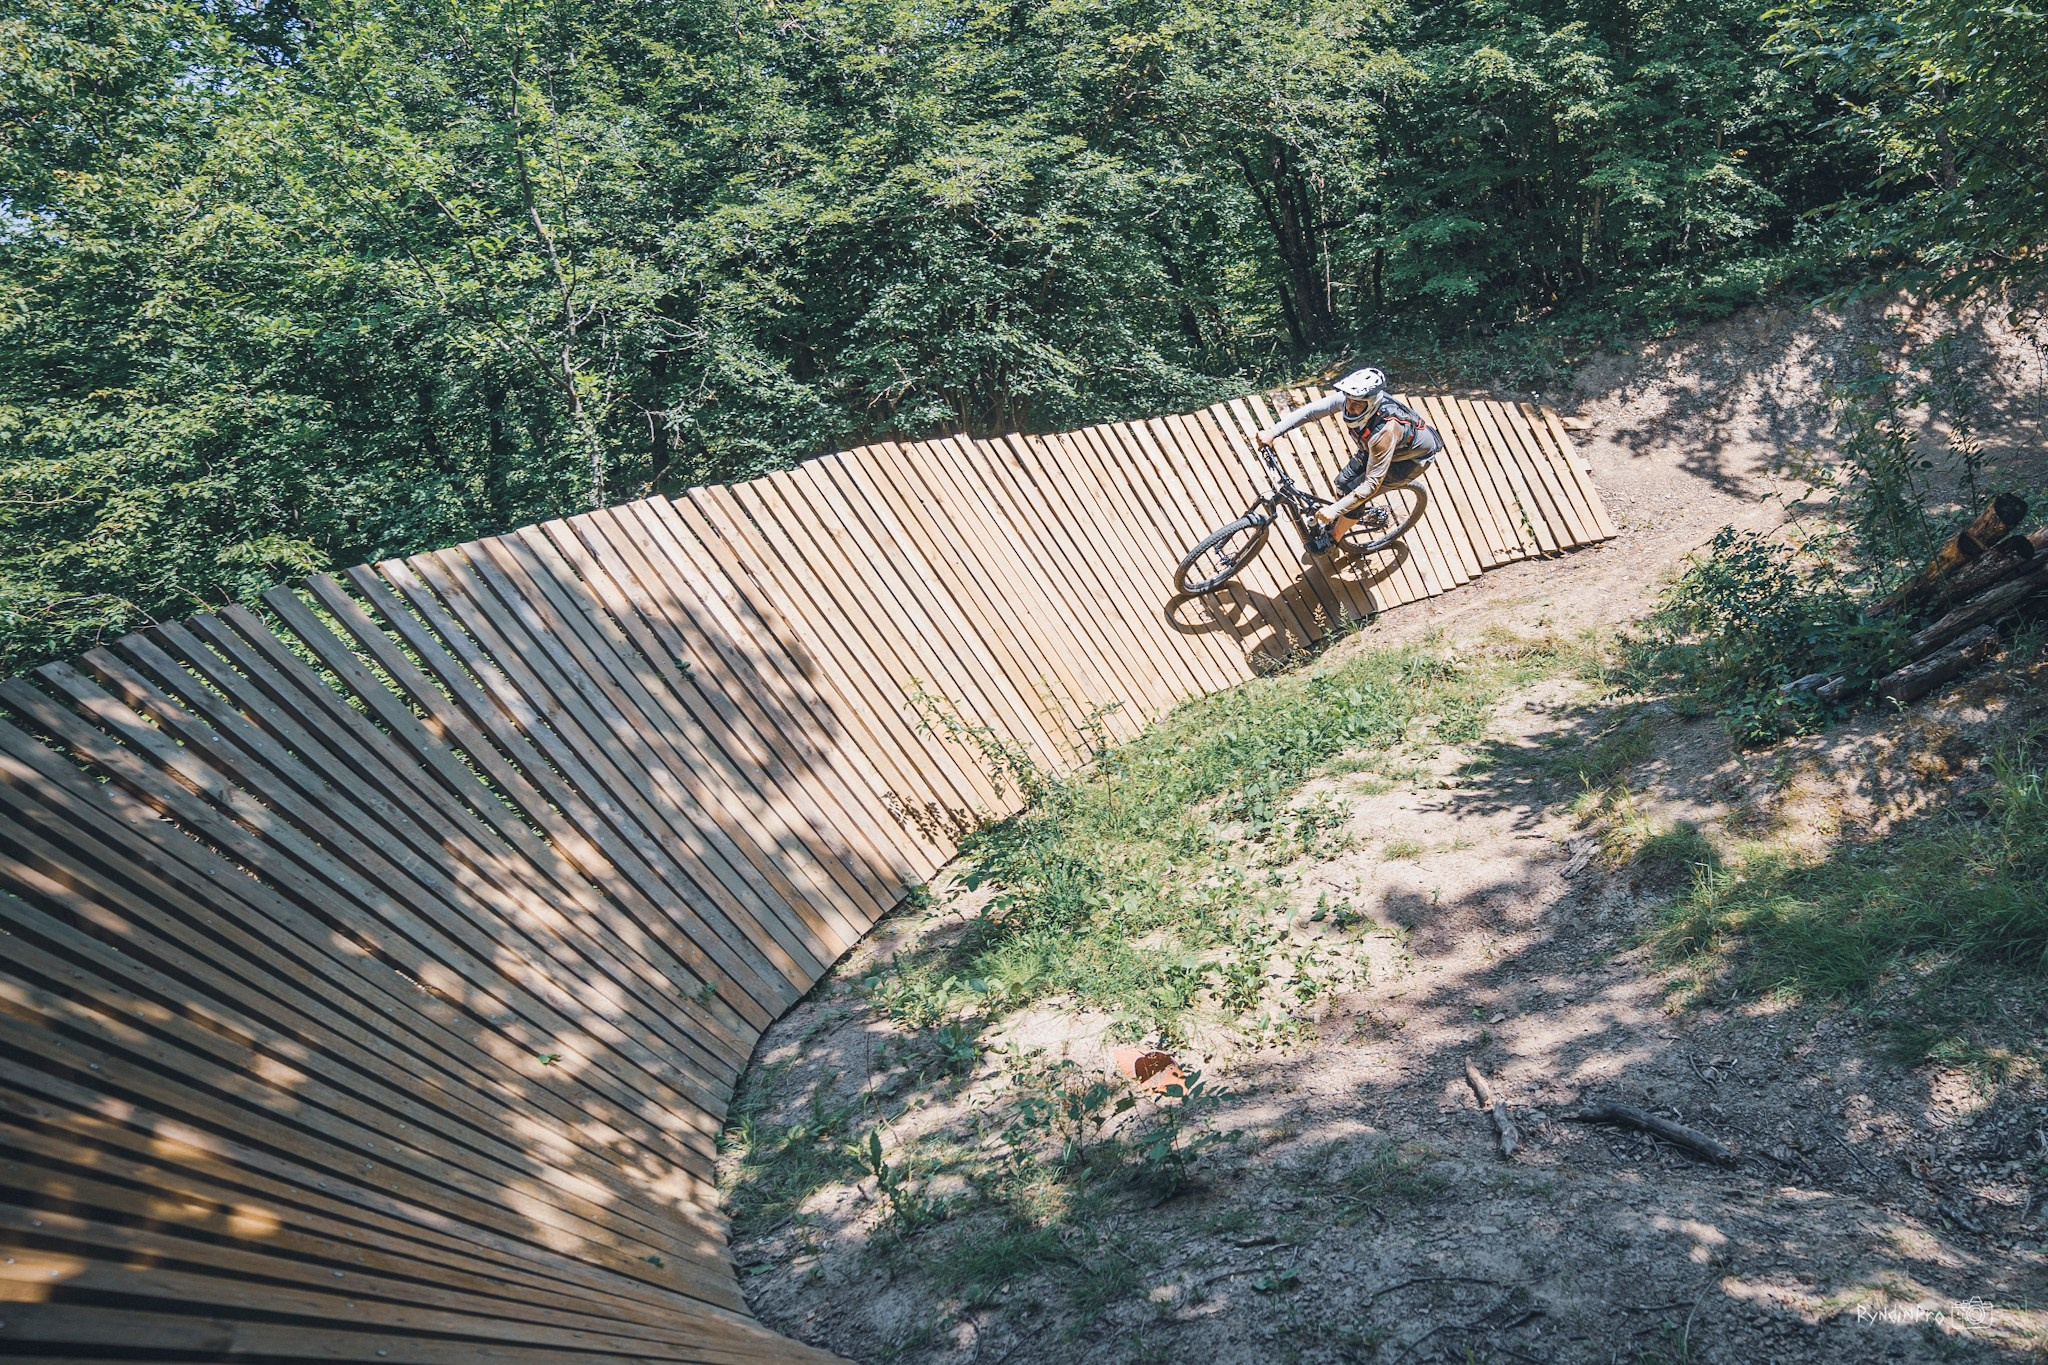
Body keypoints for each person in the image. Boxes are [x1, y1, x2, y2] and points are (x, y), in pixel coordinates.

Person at [1255, 366, 1442, 551]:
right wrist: (1274, 432)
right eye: (1349, 401)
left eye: (1357, 404)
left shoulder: (1384, 433)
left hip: (1408, 460)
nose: (1350, 407)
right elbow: (1311, 411)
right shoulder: (1352, 399)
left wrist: (1335, 510)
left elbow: (1370, 485)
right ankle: (1344, 515)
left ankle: (1335, 538)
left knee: (1356, 494)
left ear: (1372, 403)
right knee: (1342, 484)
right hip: (1377, 450)